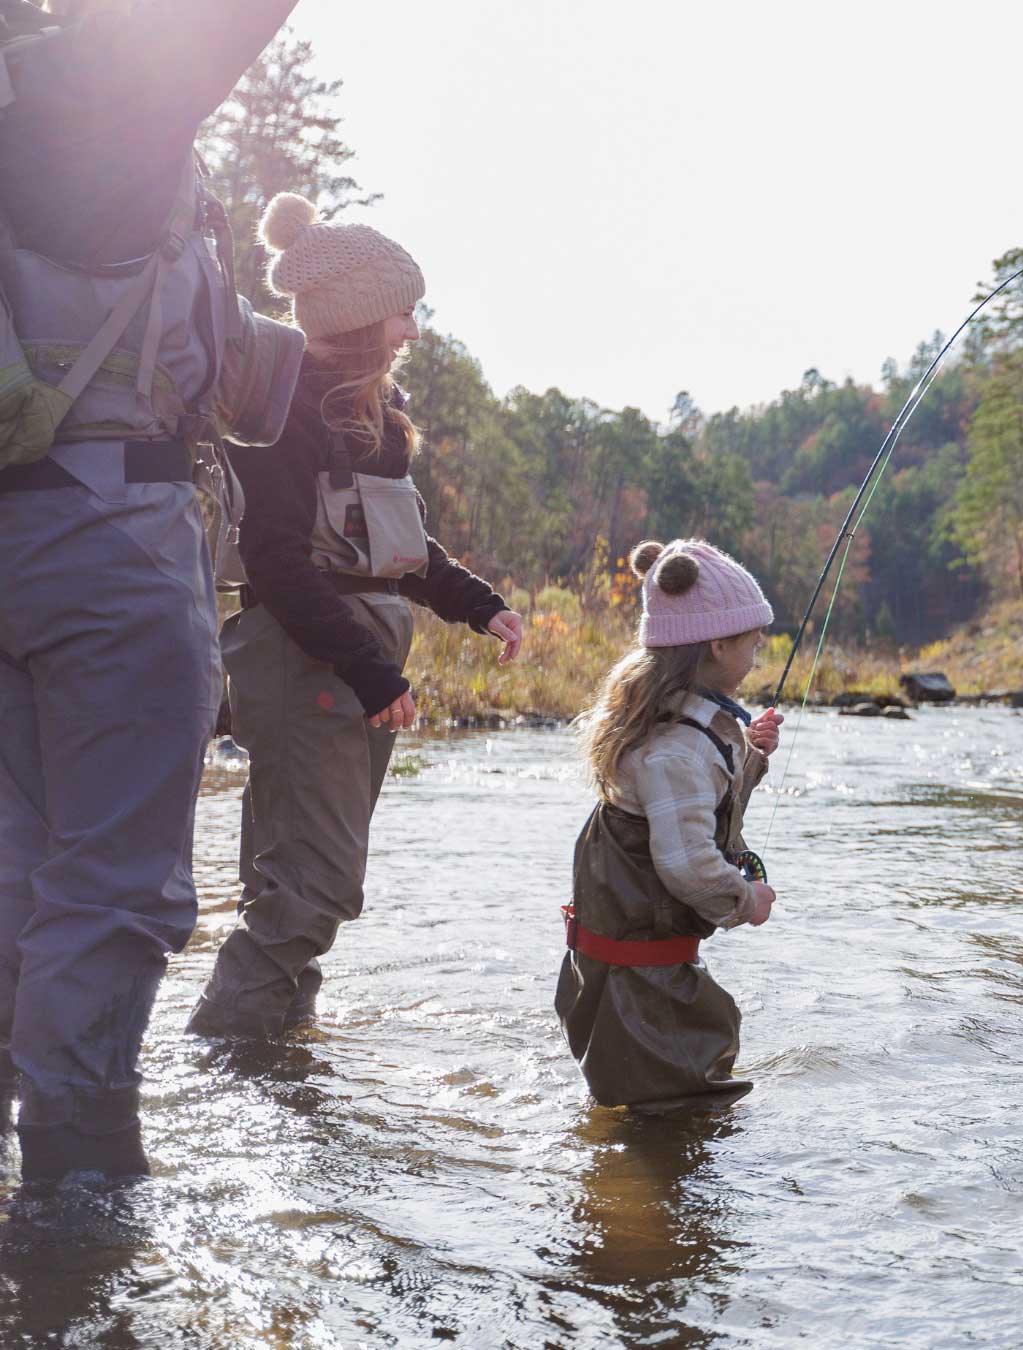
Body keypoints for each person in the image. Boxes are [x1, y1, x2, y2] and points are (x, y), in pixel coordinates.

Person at [0, 0, 303, 1183]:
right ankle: (77, 1199)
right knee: (115, 885)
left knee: (18, 869)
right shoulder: (100, 91)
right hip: (105, 534)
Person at [185, 194, 528, 1040]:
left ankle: (275, 1063)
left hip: (344, 664)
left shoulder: (372, 415)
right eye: (402, 311)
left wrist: (478, 607)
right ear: (361, 314)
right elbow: (276, 563)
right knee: (318, 885)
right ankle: (223, 1048)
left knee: (287, 880)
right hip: (312, 665)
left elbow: (389, 551)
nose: (412, 327)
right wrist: (370, 672)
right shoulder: (284, 410)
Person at [557, 539, 785, 1111]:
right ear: (717, 642)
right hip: (643, 992)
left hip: (628, 980)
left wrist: (750, 756)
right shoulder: (677, 751)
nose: (759, 647)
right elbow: (686, 865)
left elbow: (696, 803)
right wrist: (744, 899)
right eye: (753, 636)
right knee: (680, 1118)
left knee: (647, 1113)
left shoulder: (678, 723)